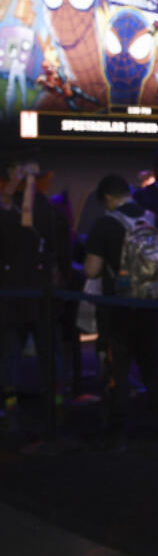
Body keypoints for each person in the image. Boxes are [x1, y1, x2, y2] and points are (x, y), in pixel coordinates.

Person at [83, 174, 158, 449]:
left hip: (118, 310)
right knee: (156, 366)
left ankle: (117, 432)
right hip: (154, 306)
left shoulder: (105, 223)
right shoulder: (154, 219)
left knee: (117, 370)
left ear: (107, 198)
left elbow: (92, 270)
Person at [0, 150, 59, 432]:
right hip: (11, 288)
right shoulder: (7, 201)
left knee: (46, 344)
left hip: (37, 286)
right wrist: (22, 180)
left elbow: (33, 222)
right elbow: (14, 211)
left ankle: (53, 399)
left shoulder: (44, 204)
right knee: (10, 346)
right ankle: (10, 401)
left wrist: (32, 183)